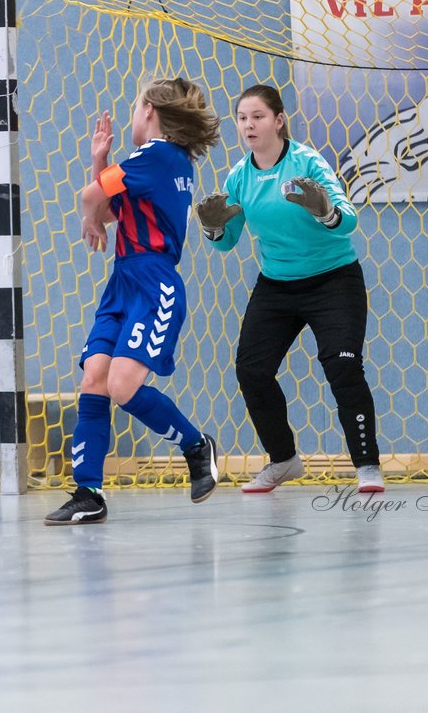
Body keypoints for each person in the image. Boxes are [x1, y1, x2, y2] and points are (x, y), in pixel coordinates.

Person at [45, 77, 223, 526]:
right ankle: (88, 492)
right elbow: (107, 207)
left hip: (152, 282)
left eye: (134, 107)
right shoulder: (159, 163)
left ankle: (196, 444)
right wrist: (99, 164)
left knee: (121, 386)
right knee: (94, 378)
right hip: (125, 279)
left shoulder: (156, 155)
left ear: (149, 112)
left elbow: (91, 201)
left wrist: (92, 216)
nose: (130, 116)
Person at [195, 84, 385, 494]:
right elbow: (227, 242)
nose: (249, 125)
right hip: (277, 285)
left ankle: (367, 466)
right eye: (243, 118)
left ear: (279, 121)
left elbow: (349, 220)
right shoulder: (239, 176)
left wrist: (328, 212)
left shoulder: (307, 163)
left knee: (343, 366)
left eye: (258, 116)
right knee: (251, 369)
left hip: (333, 279)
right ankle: (283, 460)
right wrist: (212, 227)